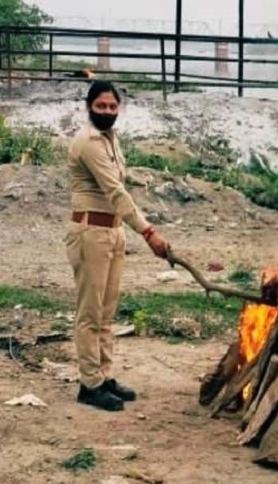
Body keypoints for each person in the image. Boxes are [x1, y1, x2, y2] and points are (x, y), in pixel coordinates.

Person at [65, 80, 169, 412]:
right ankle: (89, 384)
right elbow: (115, 191)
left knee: (107, 312)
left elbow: (119, 193)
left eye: (112, 107)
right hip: (90, 233)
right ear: (89, 107)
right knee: (90, 313)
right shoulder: (88, 143)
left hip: (113, 231)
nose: (107, 112)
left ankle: (105, 377)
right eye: (101, 106)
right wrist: (148, 232)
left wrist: (130, 228)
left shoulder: (112, 140)